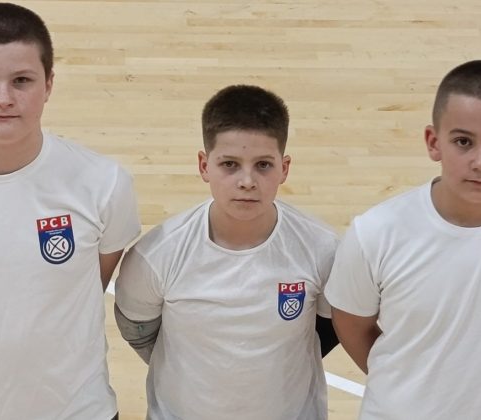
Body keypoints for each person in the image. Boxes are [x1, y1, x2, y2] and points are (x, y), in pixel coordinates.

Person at [324, 59, 481, 419]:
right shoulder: (375, 233)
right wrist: (400, 389)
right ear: (433, 142)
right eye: (463, 142)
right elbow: (351, 325)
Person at [0, 3, 141, 419]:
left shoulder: (103, 183)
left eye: (21, 80)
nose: (4, 99)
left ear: (49, 83)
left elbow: (94, 279)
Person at [114, 84, 339, 420]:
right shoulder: (157, 255)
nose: (247, 181)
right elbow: (138, 331)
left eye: (263, 165)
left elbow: (331, 329)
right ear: (204, 165)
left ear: (285, 168)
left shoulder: (323, 249)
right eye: (230, 164)